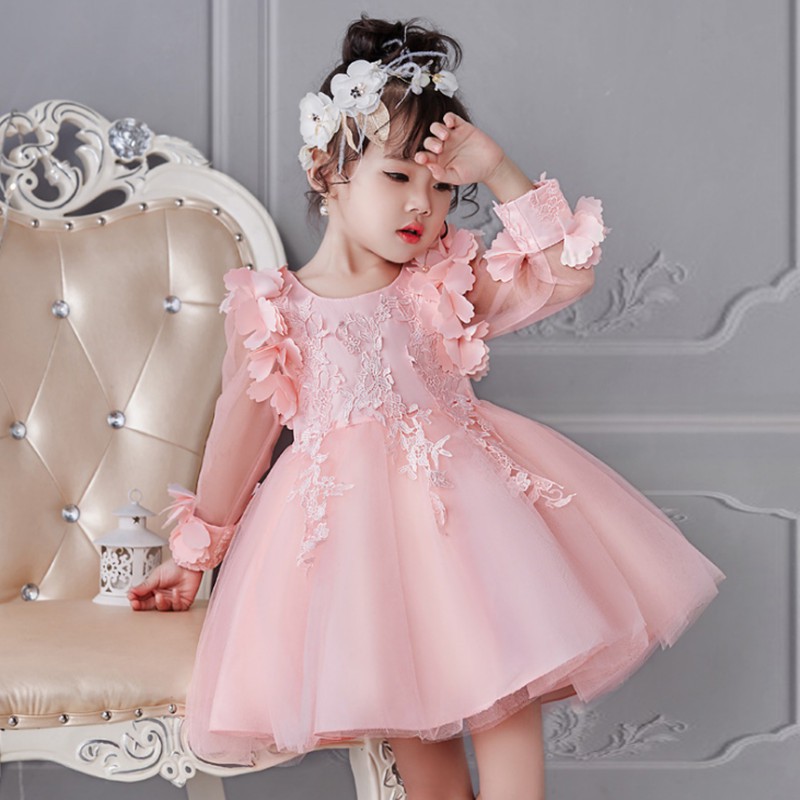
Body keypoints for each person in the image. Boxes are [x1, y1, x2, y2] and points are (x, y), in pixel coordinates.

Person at [128, 15, 726, 800]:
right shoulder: (277, 315)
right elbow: (237, 442)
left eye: (444, 187)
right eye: (398, 176)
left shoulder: (441, 282)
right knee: (426, 766)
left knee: (509, 711)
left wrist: (499, 169)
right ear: (326, 170)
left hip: (478, 535)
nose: (424, 205)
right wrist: (192, 557)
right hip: (359, 560)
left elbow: (564, 272)